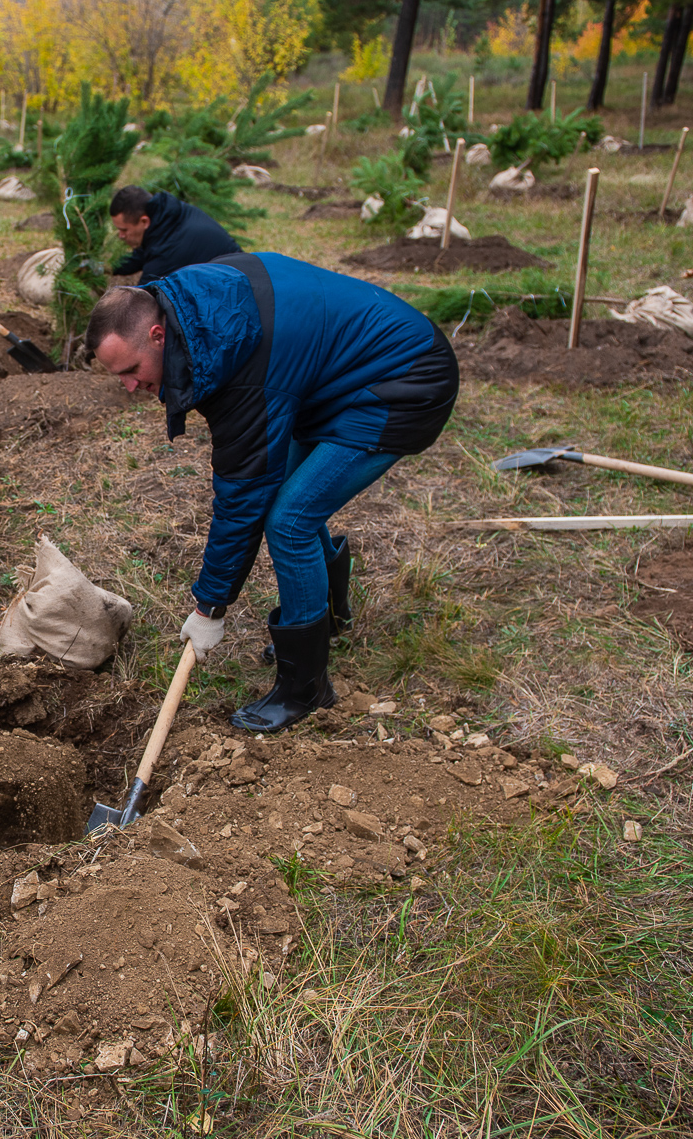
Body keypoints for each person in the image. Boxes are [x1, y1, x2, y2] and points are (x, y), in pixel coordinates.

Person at [87, 255, 458, 732]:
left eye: (133, 368)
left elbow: (243, 494)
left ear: (158, 335)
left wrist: (210, 606)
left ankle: (306, 686)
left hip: (404, 380)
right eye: (119, 375)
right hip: (336, 378)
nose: (130, 385)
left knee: (289, 520)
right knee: (291, 495)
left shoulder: (235, 359)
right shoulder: (193, 311)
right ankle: (329, 620)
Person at [109, 185, 240, 282]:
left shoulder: (169, 249)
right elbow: (143, 255)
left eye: (124, 230)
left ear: (144, 221)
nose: (120, 236)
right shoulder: (165, 219)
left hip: (237, 294)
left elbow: (142, 303)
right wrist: (104, 267)